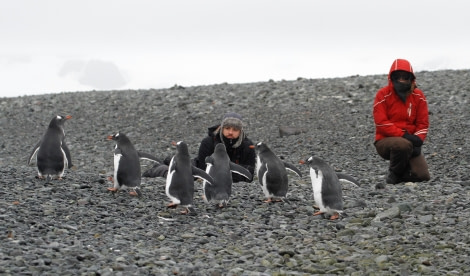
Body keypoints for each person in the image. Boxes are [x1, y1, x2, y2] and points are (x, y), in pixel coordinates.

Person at [143, 112, 256, 183]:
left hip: (213, 172)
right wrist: (230, 173)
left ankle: (170, 160)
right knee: (176, 174)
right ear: (221, 128)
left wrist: (222, 173)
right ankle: (156, 169)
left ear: (240, 131)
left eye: (235, 130)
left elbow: (249, 174)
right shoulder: (209, 142)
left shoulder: (247, 146)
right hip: (197, 167)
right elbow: (203, 170)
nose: (230, 132)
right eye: (227, 128)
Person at [373, 58, 431, 187]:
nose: (401, 79)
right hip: (385, 140)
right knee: (402, 145)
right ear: (392, 77)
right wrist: (404, 135)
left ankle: (401, 174)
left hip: (410, 141)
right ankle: (393, 174)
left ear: (411, 78)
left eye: (405, 76)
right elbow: (381, 123)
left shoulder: (418, 96)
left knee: (423, 176)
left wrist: (418, 139)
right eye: (398, 76)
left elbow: (423, 122)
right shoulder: (382, 95)